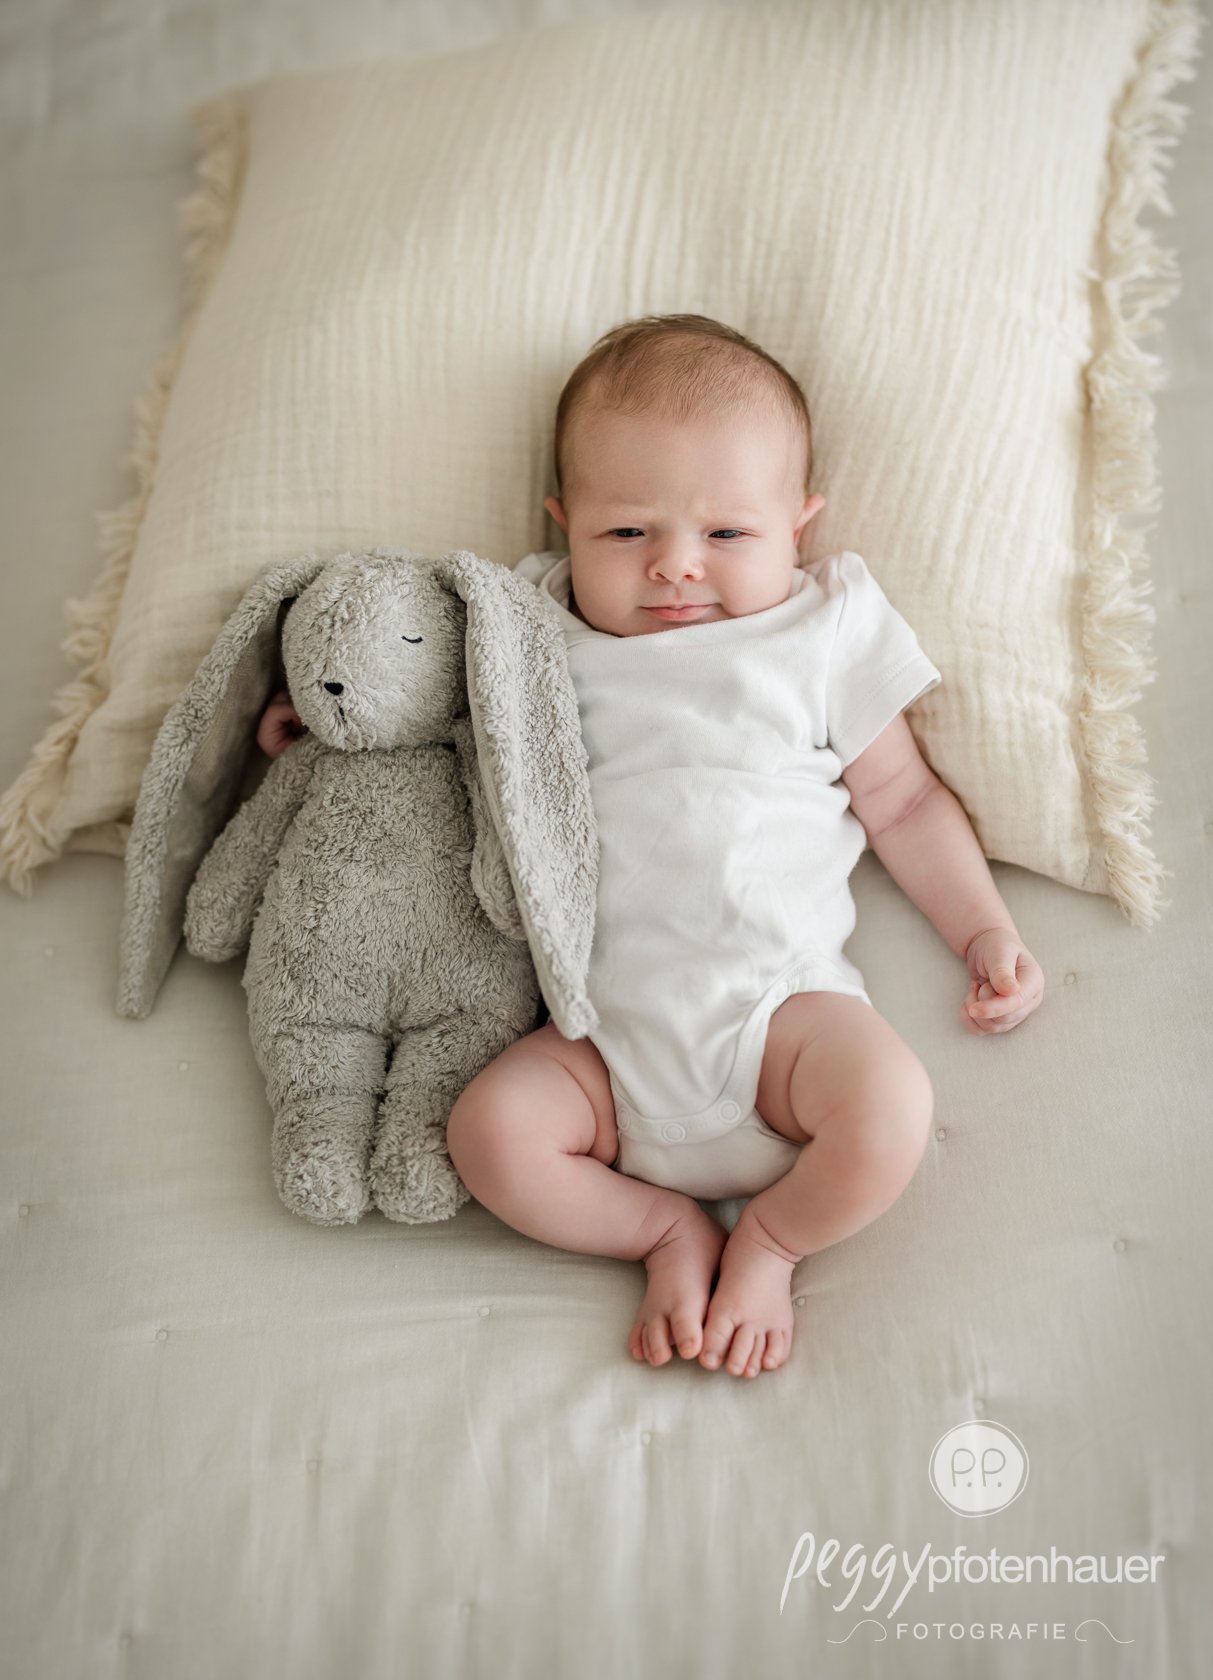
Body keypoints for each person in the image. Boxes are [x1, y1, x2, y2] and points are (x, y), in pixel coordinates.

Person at [257, 315, 1044, 1380]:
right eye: (627, 534)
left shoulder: (820, 629)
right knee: (488, 1135)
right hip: (593, 1036)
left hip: (778, 1018)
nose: (677, 568)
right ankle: (663, 1230)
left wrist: (982, 928)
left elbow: (902, 802)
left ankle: (767, 1240)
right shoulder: (529, 623)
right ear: (565, 525)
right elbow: (437, 719)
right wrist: (331, 724)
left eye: (727, 535)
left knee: (892, 1106)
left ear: (797, 528)